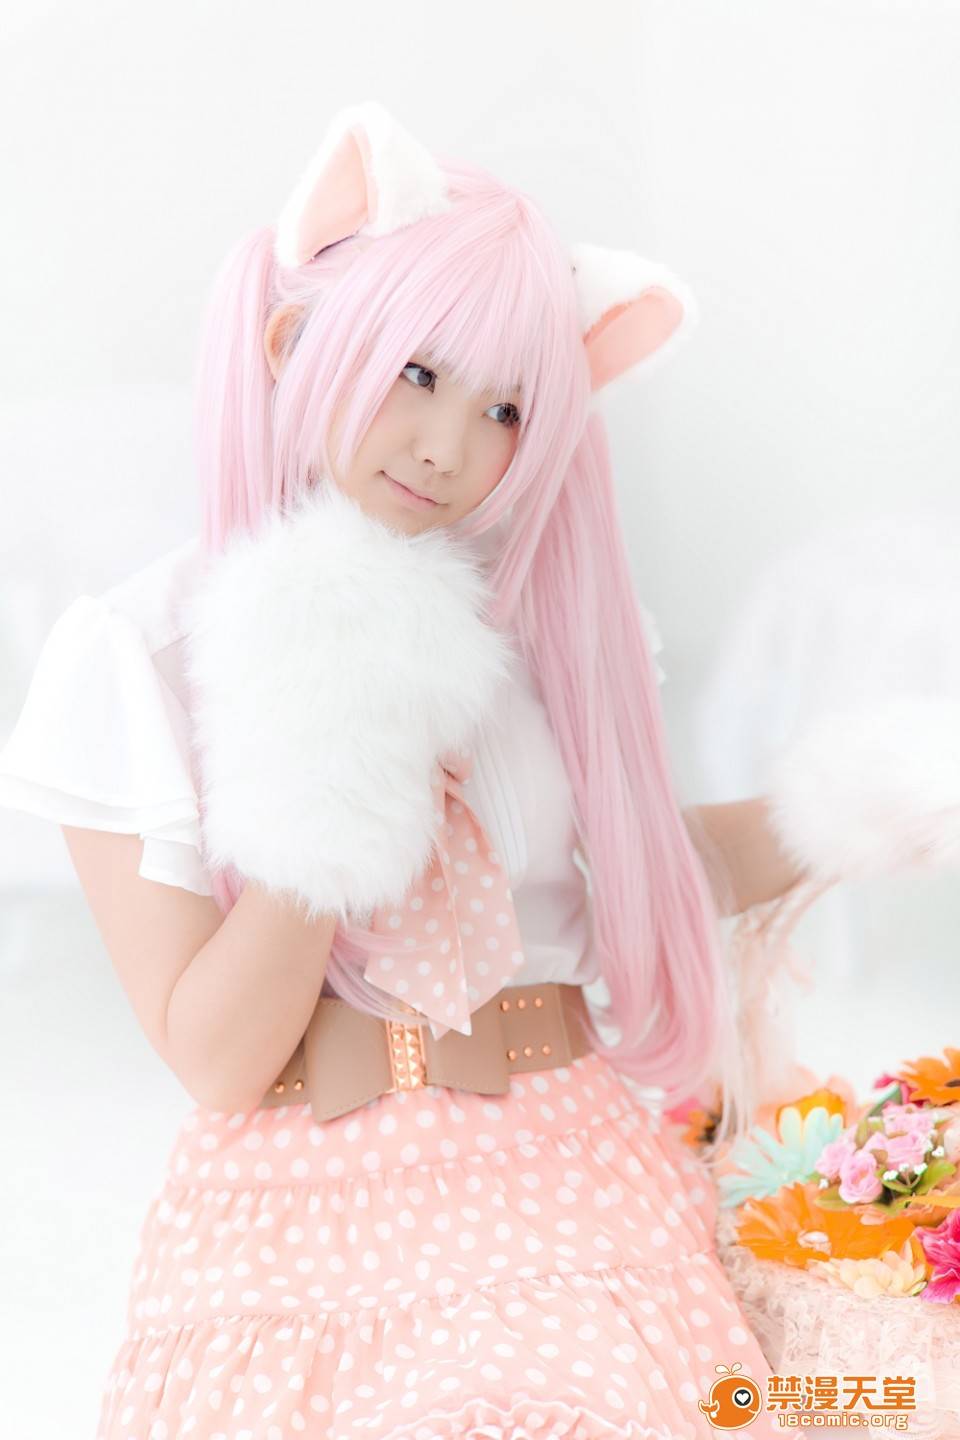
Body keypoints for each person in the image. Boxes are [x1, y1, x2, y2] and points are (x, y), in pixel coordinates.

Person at [0, 100, 808, 1438]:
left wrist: (873, 806)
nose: (450, 448)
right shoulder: (141, 652)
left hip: (567, 1160)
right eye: (417, 375)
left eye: (506, 408)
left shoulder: (545, 634)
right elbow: (217, 1056)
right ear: (294, 346)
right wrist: (335, 763)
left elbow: (638, 866)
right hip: (299, 1198)